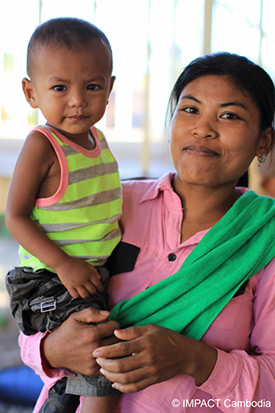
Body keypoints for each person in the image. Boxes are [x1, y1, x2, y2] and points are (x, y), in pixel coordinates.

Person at [19, 52, 275, 413]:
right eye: (190, 110)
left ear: (263, 141)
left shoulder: (266, 239)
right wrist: (52, 349)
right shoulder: (111, 205)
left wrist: (195, 360)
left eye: (229, 115)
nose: (203, 128)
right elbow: (35, 315)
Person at [5, 17, 122, 413]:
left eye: (92, 87)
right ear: (31, 92)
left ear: (110, 88)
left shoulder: (99, 141)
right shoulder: (43, 145)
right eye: (60, 87)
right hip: (45, 279)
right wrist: (65, 264)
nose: (78, 100)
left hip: (83, 271)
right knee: (99, 343)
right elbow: (16, 217)